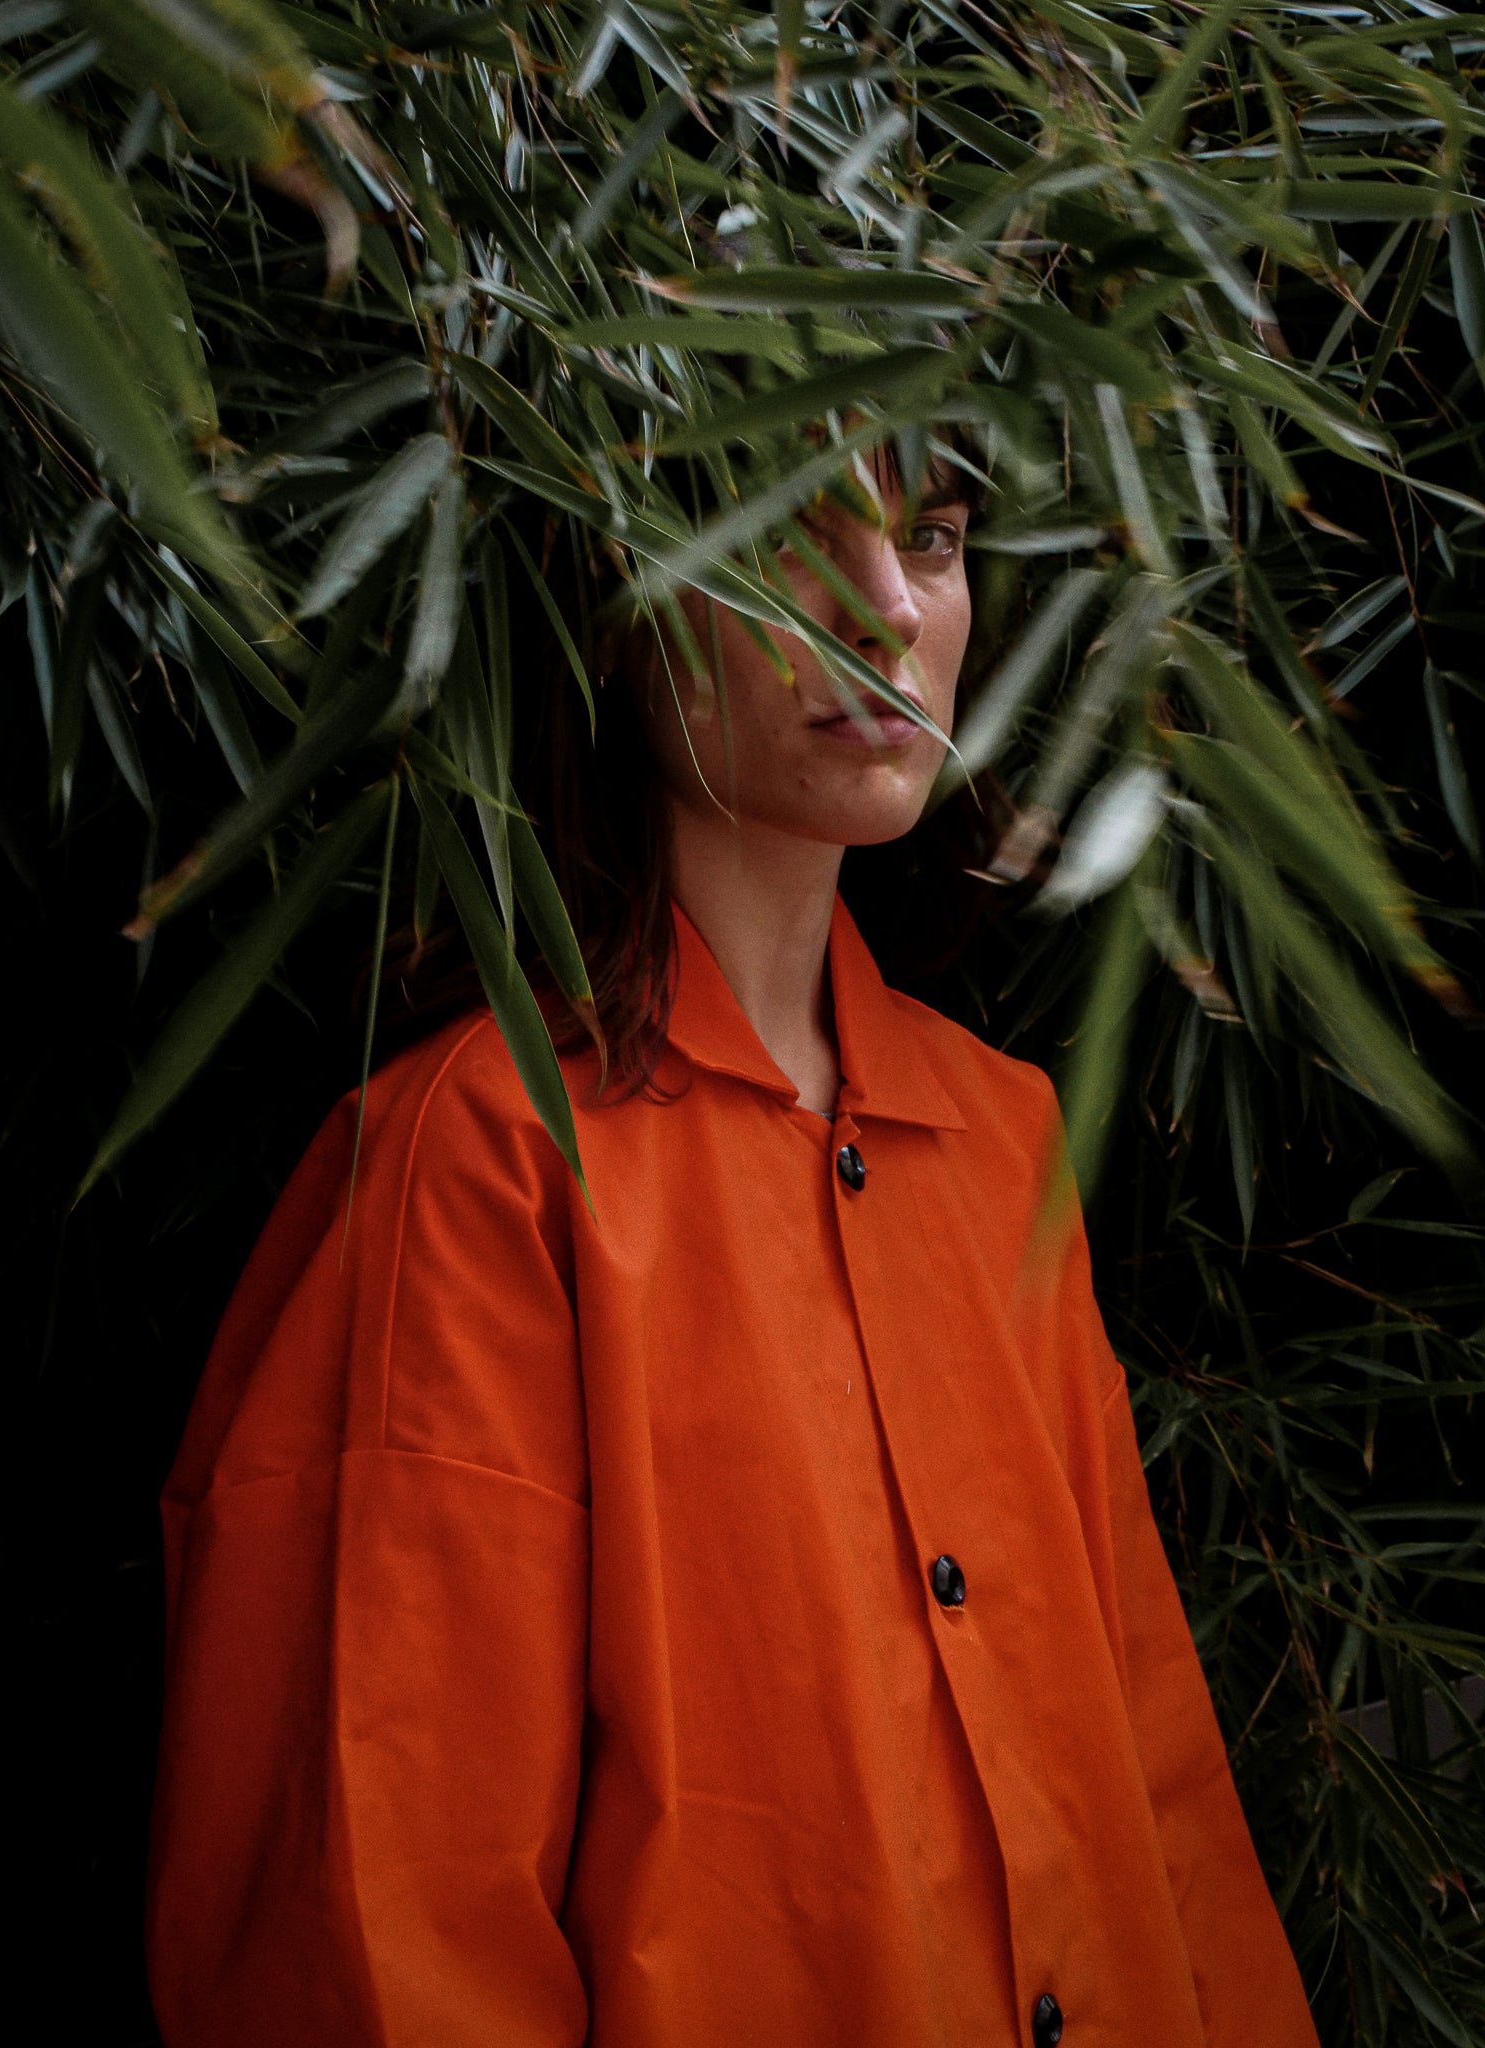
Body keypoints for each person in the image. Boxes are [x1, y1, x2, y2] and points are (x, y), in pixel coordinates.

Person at [146, 450, 1319, 2048]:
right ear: (613, 614)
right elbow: (383, 1918)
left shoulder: (999, 1141)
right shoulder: (478, 1163)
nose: (889, 610)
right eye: (784, 536)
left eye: (932, 536)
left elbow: (1158, 1788)